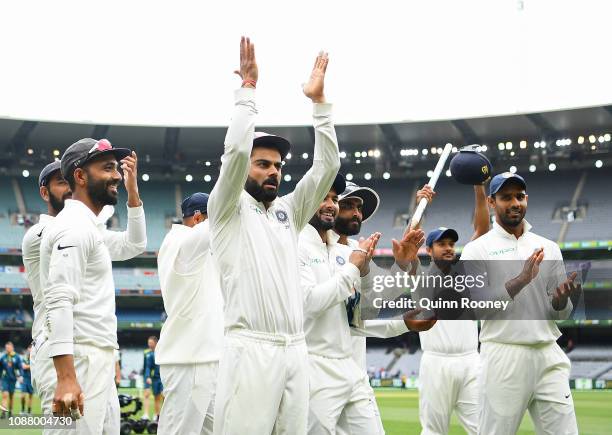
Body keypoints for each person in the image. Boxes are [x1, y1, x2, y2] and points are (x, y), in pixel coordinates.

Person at [208, 37, 340, 434]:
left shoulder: (288, 210)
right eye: (262, 164)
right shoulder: (226, 208)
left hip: (296, 350)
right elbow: (233, 155)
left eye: (278, 166)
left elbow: (327, 168)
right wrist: (247, 93)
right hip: (251, 349)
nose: (274, 172)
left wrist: (320, 107)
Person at [300, 176, 435, 435]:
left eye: (357, 207)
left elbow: (368, 306)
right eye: (347, 204)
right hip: (314, 367)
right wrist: (354, 267)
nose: (355, 213)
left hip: (353, 368)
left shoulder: (351, 250)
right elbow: (317, 305)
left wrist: (404, 266)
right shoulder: (305, 245)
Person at [38, 138, 147, 434]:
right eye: (107, 168)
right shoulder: (73, 226)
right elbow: (59, 299)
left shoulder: (90, 228)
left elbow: (135, 244)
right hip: (80, 361)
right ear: (80, 176)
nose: (116, 175)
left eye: (117, 168)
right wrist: (66, 377)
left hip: (95, 359)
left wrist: (133, 190)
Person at [459, 172, 579, 435]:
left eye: (520, 196)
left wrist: (561, 302)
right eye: (506, 197)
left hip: (548, 352)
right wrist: (521, 280)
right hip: (503, 355)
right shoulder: (477, 250)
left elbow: (561, 314)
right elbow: (477, 308)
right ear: (491, 202)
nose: (515, 203)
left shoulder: (548, 246)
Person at [409, 184, 489, 435]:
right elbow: (408, 244)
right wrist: (420, 206)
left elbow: (482, 231)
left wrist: (478, 187)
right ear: (429, 250)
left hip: (470, 361)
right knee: (434, 430)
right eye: (441, 243)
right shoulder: (420, 278)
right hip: (436, 362)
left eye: (451, 243)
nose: (448, 247)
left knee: (482, 428)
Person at [156, 193, 223, 435]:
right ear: (197, 218)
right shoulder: (181, 241)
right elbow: (216, 223)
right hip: (189, 360)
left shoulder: (200, 250)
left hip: (207, 357)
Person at [21, 160, 71, 394]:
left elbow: (132, 244)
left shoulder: (79, 228)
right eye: (62, 182)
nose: (71, 188)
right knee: (62, 428)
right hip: (51, 343)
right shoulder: (38, 233)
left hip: (80, 344)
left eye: (73, 181)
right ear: (44, 192)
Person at [0, 342, 24, 419]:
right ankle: (3, 412)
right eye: (6, 348)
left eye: (8, 348)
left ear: (12, 348)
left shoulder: (16, 357)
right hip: (5, 379)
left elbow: (20, 367)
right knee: (5, 395)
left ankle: (10, 412)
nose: (7, 349)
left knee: (11, 396)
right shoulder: (3, 357)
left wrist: (20, 376)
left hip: (13, 379)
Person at [143, 336, 163, 421]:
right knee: (151, 396)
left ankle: (159, 415)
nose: (149, 344)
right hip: (153, 378)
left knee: (161, 396)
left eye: (151, 343)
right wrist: (147, 377)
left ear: (155, 343)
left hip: (161, 379)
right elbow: (147, 367)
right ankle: (151, 415)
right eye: (148, 343)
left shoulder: (162, 353)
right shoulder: (148, 354)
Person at [20, 344, 33, 415]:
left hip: (31, 378)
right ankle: (22, 409)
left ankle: (29, 411)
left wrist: (29, 366)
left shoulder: (35, 358)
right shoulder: (24, 358)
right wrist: (31, 366)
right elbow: (24, 367)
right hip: (25, 379)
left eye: (31, 349)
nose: (30, 350)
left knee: (30, 395)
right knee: (22, 396)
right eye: (29, 349)